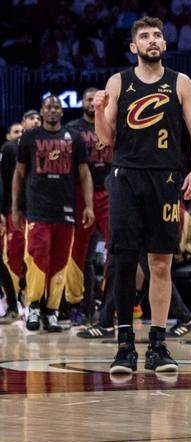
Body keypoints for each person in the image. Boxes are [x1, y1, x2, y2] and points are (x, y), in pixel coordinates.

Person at [94, 16, 191, 374]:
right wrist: (98, 110)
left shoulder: (181, 82)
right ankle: (124, 346)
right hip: (126, 177)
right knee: (125, 263)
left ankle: (158, 345)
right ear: (133, 47)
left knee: (161, 263)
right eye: (144, 36)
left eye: (157, 35)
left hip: (167, 178)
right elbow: (106, 138)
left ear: (165, 44)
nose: (152, 40)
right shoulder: (119, 82)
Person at [12, 96, 93, 332]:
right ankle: (34, 306)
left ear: (62, 111)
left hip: (65, 210)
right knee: (37, 258)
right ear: (42, 111)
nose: (52, 111)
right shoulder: (29, 138)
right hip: (37, 209)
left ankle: (52, 310)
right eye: (48, 107)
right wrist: (16, 208)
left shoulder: (74, 138)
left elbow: (85, 174)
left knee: (60, 261)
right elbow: (19, 175)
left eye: (57, 107)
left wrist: (88, 205)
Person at [66, 88, 113, 324]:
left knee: (115, 250)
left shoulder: (111, 122)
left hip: (108, 191)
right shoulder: (72, 129)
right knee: (79, 255)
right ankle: (79, 306)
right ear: (83, 103)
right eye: (87, 98)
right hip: (80, 194)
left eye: (95, 98)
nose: (91, 102)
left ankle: (110, 306)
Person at [1, 111, 39, 321]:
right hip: (15, 210)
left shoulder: (46, 144)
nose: (35, 121)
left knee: (34, 257)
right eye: (31, 118)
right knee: (13, 257)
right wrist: (5, 209)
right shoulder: (9, 148)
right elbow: (5, 182)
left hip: (40, 210)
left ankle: (32, 302)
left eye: (37, 118)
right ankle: (11, 303)